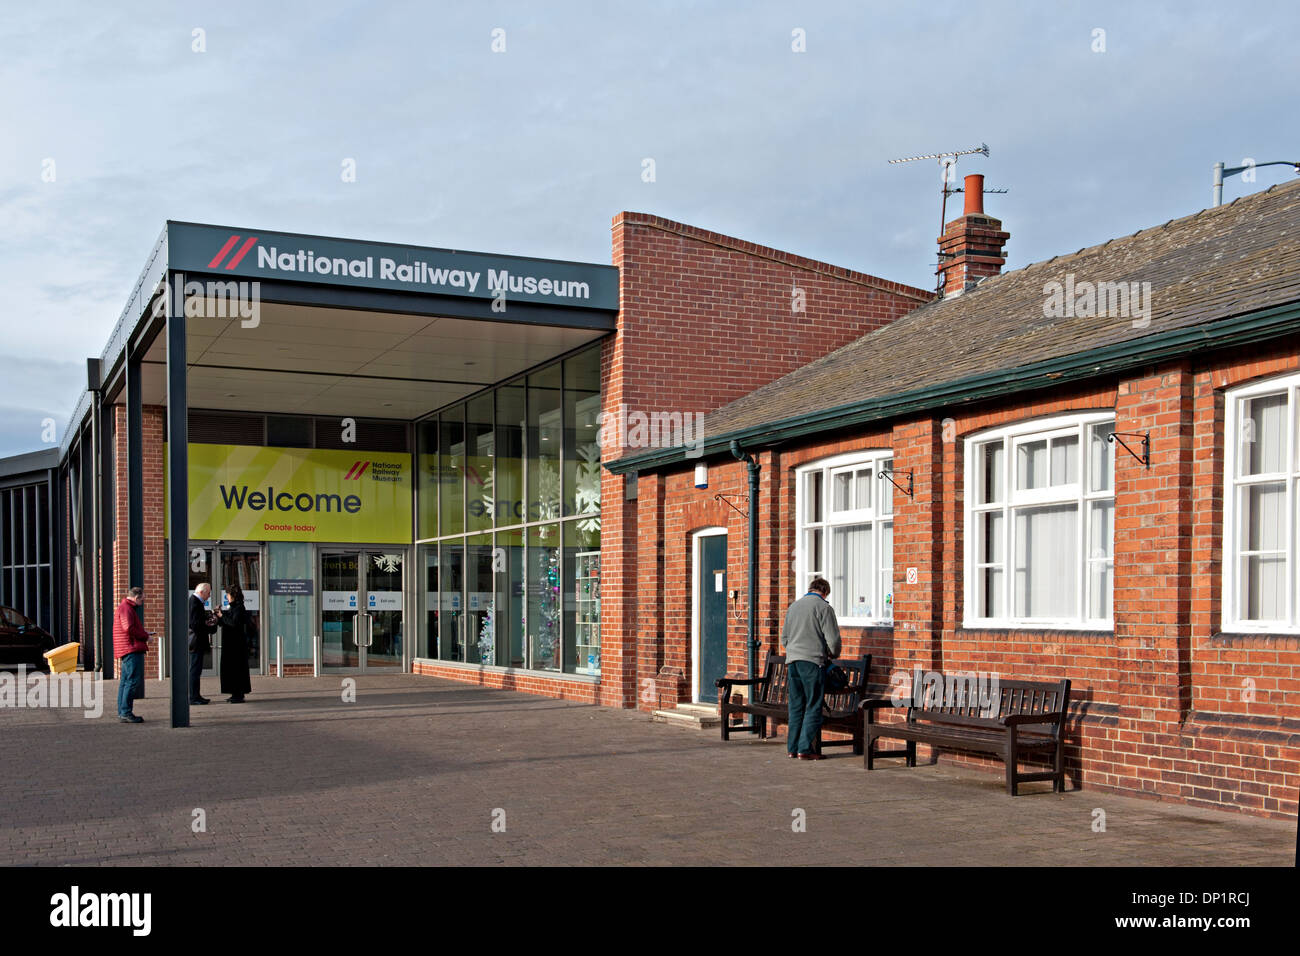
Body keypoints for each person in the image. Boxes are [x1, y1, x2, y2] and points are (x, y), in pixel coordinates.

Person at [781, 576, 841, 760]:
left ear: (811, 589)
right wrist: (833, 654)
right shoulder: (824, 608)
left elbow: (784, 638)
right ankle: (805, 749)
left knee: (796, 706)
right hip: (813, 662)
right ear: (825, 592)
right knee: (814, 705)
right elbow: (833, 640)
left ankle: (792, 749)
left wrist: (793, 651)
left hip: (793, 662)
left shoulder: (793, 607)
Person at [113, 586, 150, 723]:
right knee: (132, 681)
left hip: (127, 648)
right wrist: (146, 636)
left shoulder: (124, 607)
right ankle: (126, 712)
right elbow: (128, 628)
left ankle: (122, 711)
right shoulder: (127, 608)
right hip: (131, 649)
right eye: (142, 600)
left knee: (125, 682)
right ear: (136, 597)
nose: (142, 603)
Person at [218, 584, 253, 703]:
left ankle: (238, 693)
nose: (227, 597)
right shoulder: (233, 607)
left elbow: (234, 623)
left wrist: (222, 616)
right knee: (231, 669)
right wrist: (221, 615)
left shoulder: (239, 607)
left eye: (228, 595)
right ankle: (234, 692)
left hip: (236, 644)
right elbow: (227, 620)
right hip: (230, 643)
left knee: (237, 668)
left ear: (232, 595)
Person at [188, 583, 219, 705]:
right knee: (194, 670)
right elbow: (195, 624)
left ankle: (196, 695)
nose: (209, 595)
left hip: (196, 641)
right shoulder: (195, 602)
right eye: (208, 593)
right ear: (201, 592)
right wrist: (209, 626)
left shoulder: (195, 602)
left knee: (196, 670)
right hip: (196, 642)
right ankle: (193, 697)